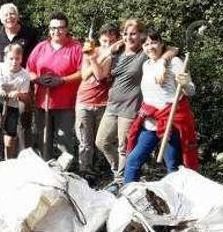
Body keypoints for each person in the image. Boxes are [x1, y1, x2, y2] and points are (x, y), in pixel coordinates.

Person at [95, 19, 178, 186]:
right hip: (112, 105)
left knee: (123, 147)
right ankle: (118, 171)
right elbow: (100, 75)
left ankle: (120, 182)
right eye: (125, 34)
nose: (129, 37)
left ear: (141, 35)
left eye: (133, 33)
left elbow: (172, 48)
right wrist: (110, 49)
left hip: (130, 107)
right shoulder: (117, 53)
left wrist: (162, 62)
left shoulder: (144, 53)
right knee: (101, 141)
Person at [124, 29, 198, 183]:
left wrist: (185, 84)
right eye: (146, 44)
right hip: (150, 123)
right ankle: (128, 197)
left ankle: (180, 201)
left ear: (161, 43)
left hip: (170, 122)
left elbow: (191, 90)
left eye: (154, 42)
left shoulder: (175, 62)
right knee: (133, 161)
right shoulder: (146, 64)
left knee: (173, 167)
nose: (150, 47)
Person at [26, 12, 83, 162]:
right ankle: (46, 172)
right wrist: (37, 79)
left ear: (67, 29)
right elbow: (29, 69)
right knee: (44, 140)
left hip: (66, 104)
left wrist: (63, 80)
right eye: (53, 28)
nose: (56, 32)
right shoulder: (41, 47)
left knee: (64, 142)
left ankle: (64, 174)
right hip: (42, 103)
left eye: (60, 28)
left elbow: (83, 72)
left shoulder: (76, 47)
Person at [0, 3, 38, 148]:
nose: (9, 17)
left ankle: (22, 152)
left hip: (22, 84)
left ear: (18, 15)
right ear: (1, 19)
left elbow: (35, 58)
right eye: (6, 15)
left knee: (21, 121)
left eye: (12, 13)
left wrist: (32, 77)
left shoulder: (29, 33)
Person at [75, 23, 120, 177]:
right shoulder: (90, 51)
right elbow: (84, 75)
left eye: (111, 41)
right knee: (85, 141)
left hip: (103, 102)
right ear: (99, 39)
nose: (107, 44)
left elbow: (100, 76)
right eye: (104, 41)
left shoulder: (116, 55)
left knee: (103, 140)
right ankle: (85, 171)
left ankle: (106, 171)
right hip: (84, 100)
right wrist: (97, 58)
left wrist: (96, 60)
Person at [0, 43, 31, 160]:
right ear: (5, 58)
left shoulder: (24, 75)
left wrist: (18, 94)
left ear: (21, 58)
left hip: (12, 104)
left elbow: (26, 97)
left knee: (10, 138)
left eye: (17, 58)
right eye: (11, 58)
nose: (14, 62)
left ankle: (8, 161)